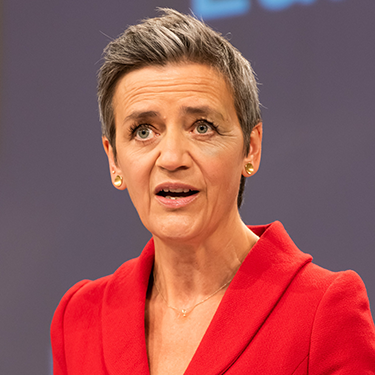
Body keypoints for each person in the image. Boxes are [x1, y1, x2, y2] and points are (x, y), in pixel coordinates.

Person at [51, 8, 375, 374]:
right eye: (144, 131)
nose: (172, 157)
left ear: (250, 148)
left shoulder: (324, 310)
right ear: (114, 160)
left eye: (202, 127)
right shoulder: (79, 318)